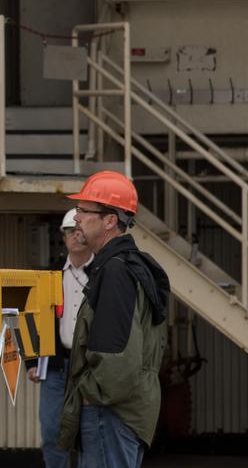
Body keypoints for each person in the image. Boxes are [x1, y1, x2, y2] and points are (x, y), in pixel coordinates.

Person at [58, 172, 170, 468]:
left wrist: (88, 396)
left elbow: (116, 360)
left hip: (109, 413)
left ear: (110, 221)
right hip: (128, 413)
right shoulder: (129, 266)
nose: (77, 218)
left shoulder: (116, 272)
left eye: (84, 211)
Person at [27, 209, 93, 468]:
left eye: (79, 232)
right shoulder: (50, 276)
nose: (76, 237)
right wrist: (32, 362)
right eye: (70, 232)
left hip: (90, 367)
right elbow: (33, 320)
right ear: (63, 237)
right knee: (53, 431)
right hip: (56, 366)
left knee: (90, 431)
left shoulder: (103, 274)